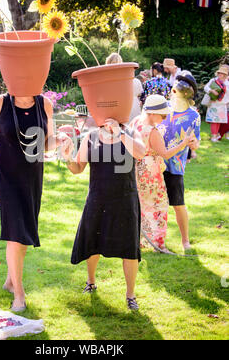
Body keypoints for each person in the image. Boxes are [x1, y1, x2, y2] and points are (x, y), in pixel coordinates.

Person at [0, 91, 68, 312]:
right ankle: (19, 294)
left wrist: (59, 139)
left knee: (23, 234)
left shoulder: (45, 104)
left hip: (32, 178)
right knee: (15, 233)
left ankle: (10, 280)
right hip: (7, 178)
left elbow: (47, 143)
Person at [60, 116, 146, 311]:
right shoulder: (91, 136)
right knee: (93, 242)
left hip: (125, 197)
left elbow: (141, 153)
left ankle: (130, 295)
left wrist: (120, 133)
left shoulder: (131, 132)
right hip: (97, 197)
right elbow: (78, 168)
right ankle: (90, 282)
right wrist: (67, 157)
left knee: (129, 247)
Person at [130, 95, 192, 253]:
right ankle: (159, 244)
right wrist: (183, 143)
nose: (165, 117)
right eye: (162, 114)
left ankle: (142, 240)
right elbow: (165, 153)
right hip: (151, 173)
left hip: (136, 169)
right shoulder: (152, 131)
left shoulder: (136, 122)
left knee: (142, 206)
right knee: (159, 206)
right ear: (152, 113)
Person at [159, 74, 201, 251]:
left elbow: (196, 144)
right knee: (154, 203)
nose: (174, 90)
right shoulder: (164, 108)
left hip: (175, 166)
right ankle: (154, 238)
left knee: (178, 204)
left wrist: (193, 144)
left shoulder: (193, 115)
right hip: (156, 162)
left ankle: (185, 240)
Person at [105, 53, 143, 122]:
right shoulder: (135, 81)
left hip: (118, 110)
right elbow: (139, 94)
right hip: (134, 109)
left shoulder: (108, 82)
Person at [204, 64, 229, 142]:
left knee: (219, 121)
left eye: (223, 74)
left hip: (223, 104)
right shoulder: (213, 80)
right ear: (218, 73)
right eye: (220, 73)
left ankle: (217, 135)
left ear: (225, 75)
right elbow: (206, 87)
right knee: (214, 120)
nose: (221, 75)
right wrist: (211, 91)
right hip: (214, 103)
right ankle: (213, 137)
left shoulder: (227, 83)